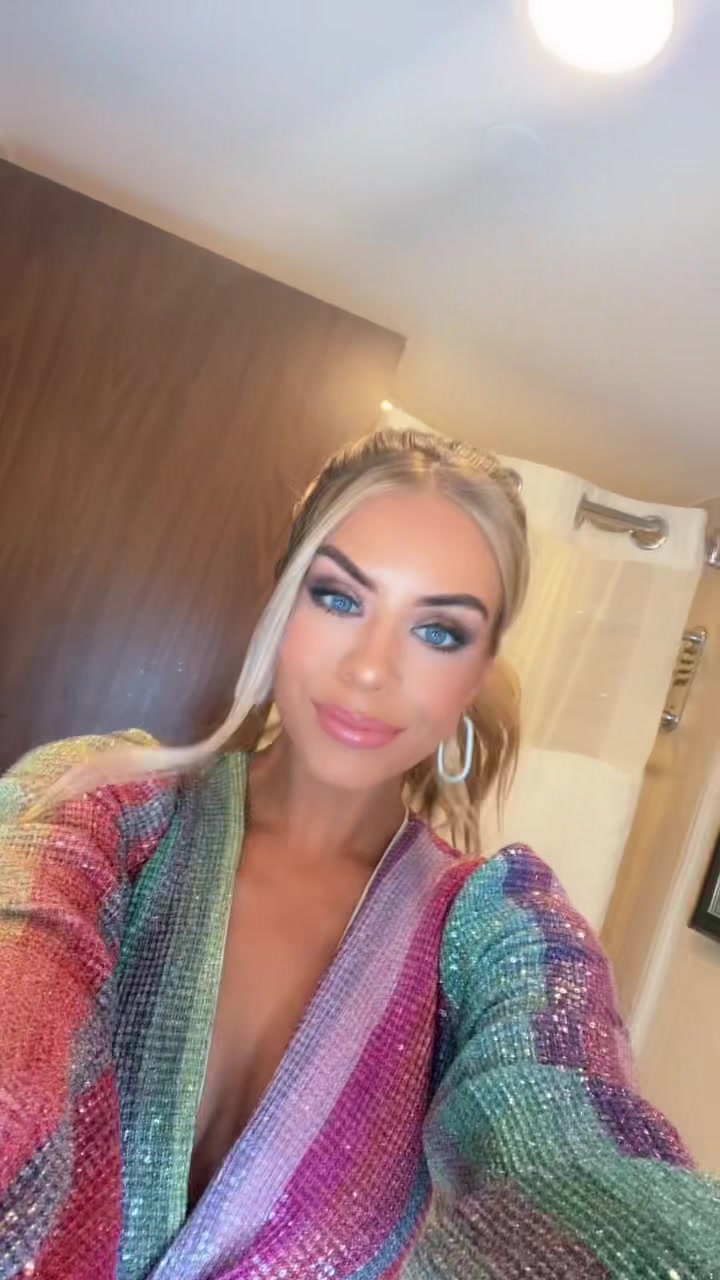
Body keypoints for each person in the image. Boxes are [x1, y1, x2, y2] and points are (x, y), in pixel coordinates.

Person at [1, 427, 718, 1280]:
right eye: (340, 598)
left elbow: (575, 1156)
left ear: (478, 673)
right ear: (282, 604)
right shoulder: (97, 804)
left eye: (439, 632)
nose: (372, 670)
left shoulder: (500, 931)